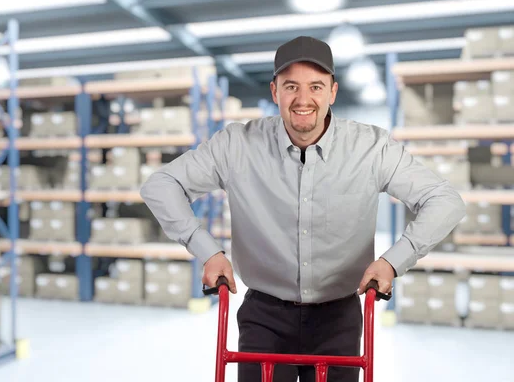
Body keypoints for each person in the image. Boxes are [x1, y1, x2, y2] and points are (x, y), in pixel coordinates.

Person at [140, 36, 466, 382]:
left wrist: (392, 261)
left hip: (339, 320)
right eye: (291, 86)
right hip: (263, 317)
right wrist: (207, 251)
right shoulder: (236, 145)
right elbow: (160, 186)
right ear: (274, 91)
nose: (303, 99)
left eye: (316, 86)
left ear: (333, 92)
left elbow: (445, 201)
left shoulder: (371, 148)